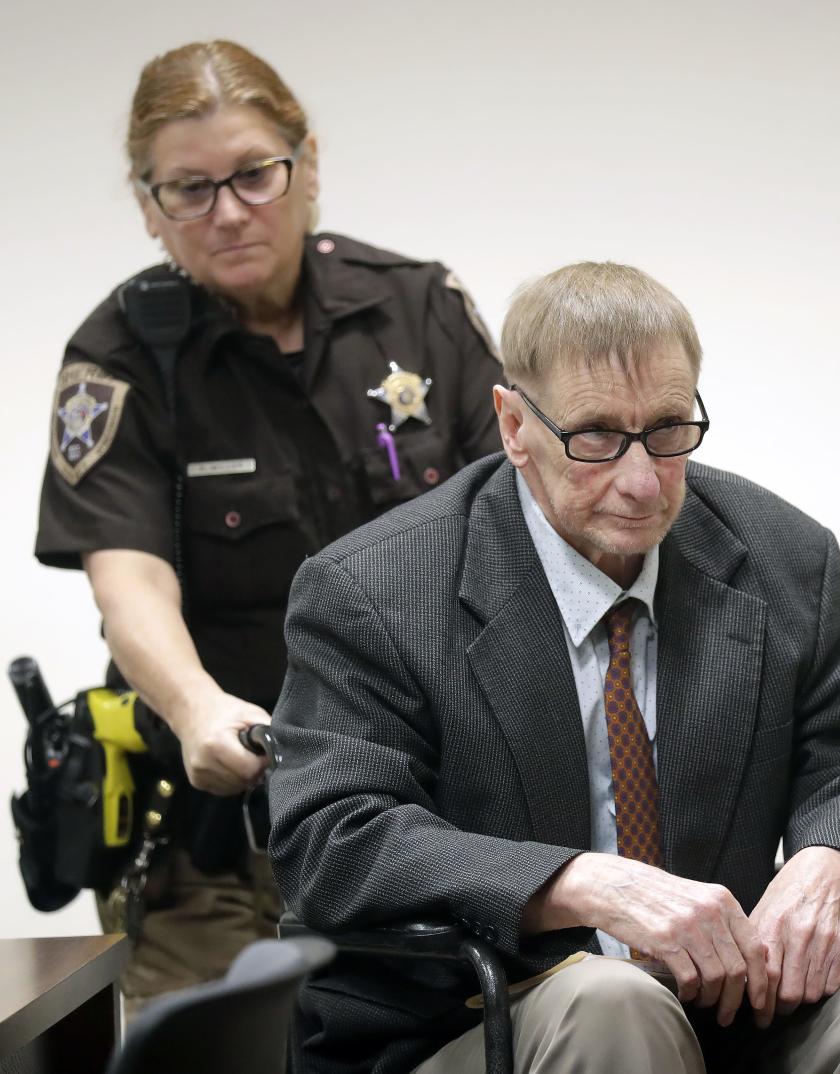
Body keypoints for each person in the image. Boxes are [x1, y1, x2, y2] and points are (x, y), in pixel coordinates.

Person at [268, 261, 840, 1074]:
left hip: (730, 1011)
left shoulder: (785, 560)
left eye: (668, 429)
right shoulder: (374, 588)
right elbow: (333, 838)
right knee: (613, 1003)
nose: (641, 482)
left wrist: (837, 858)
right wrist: (581, 885)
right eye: (596, 434)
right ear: (514, 426)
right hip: (470, 1013)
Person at [34, 39, 503, 1014]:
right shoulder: (118, 358)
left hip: (423, 820)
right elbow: (130, 585)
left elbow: (515, 536)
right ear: (148, 206)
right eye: (189, 190)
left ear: (308, 164)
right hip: (217, 844)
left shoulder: (420, 310)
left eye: (253, 173)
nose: (230, 211)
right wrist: (198, 706)